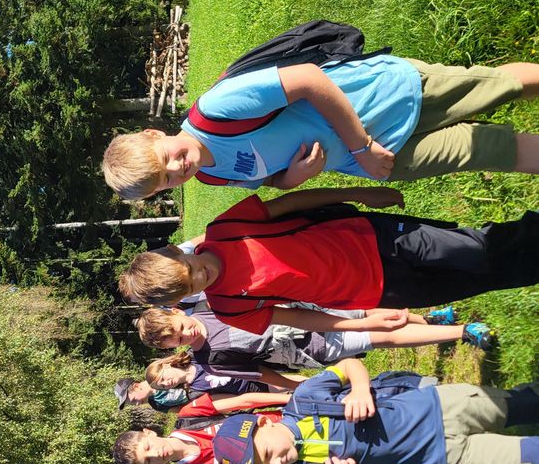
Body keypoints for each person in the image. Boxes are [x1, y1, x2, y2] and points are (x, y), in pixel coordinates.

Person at [101, 47, 539, 199]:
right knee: (486, 152)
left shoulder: (216, 111)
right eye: (165, 181)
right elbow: (272, 182)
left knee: (497, 86)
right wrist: (294, 177)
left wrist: (363, 147)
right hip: (375, 158)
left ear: (154, 133)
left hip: (379, 99)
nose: (178, 169)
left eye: (166, 159)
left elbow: (309, 80)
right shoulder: (211, 178)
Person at [118, 186, 538, 336]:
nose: (202, 276)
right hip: (377, 291)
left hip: (373, 238)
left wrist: (357, 193)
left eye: (191, 269)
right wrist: (365, 321)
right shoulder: (229, 307)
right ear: (188, 299)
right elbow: (301, 320)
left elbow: (291, 203)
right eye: (194, 286)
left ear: (178, 250)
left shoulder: (225, 230)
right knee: (481, 278)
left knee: (477, 250)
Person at [212, 359, 539, 464]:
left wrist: (359, 390)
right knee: (528, 458)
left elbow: (350, 366)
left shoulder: (305, 399)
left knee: (520, 404)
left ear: (265, 423)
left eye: (266, 454)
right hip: (445, 459)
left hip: (442, 406)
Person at [135, 304, 496, 366]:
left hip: (308, 310)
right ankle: (462, 332)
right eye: (179, 340)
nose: (188, 333)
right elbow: (258, 372)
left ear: (178, 313)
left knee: (369, 312)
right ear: (172, 349)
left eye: (181, 327)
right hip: (311, 347)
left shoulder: (209, 307)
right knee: (379, 336)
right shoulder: (208, 360)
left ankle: (430, 319)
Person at [144, 350, 301, 400]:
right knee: (292, 388)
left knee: (294, 380)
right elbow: (225, 398)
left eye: (163, 378)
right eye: (162, 386)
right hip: (250, 388)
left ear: (165, 365)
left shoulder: (195, 357)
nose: (166, 383)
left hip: (251, 368)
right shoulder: (194, 391)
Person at [113, 376, 190, 413]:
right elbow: (186, 410)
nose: (136, 404)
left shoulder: (157, 376)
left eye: (134, 400)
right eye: (132, 404)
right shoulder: (157, 405)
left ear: (136, 386)